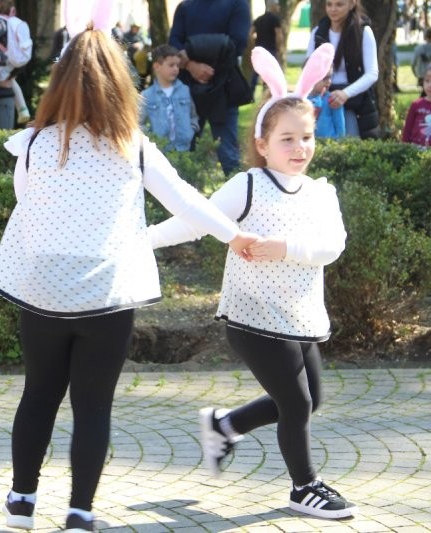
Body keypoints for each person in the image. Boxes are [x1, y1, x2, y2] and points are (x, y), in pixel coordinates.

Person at [0, 13, 258, 532]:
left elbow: (28, 203)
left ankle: (22, 500)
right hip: (107, 294)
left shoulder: (33, 144)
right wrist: (234, 235)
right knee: (93, 406)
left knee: (38, 393)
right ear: (120, 84)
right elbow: (185, 200)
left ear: (60, 82)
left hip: (43, 291)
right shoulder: (131, 145)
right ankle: (80, 510)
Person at [149, 44, 357, 520]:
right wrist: (145, 239)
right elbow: (195, 220)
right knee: (296, 403)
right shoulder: (248, 185)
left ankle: (225, 426)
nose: (300, 148)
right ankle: (304, 487)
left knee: (310, 400)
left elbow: (333, 246)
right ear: (262, 144)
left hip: (301, 315)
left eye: (306, 137)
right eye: (287, 139)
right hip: (253, 315)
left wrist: (285, 248)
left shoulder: (321, 194)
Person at [169, 0, 252, 175]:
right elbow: (174, 45)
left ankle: (238, 192)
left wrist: (190, 52)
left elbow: (237, 44)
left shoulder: (237, 4)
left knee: (228, 155)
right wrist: (191, 66)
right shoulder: (185, 7)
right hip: (188, 88)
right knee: (183, 152)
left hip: (223, 88)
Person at [306, 0, 379, 138]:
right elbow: (308, 69)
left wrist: (345, 94)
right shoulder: (318, 33)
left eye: (339, 4)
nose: (333, 9)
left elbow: (372, 74)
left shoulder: (363, 31)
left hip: (353, 102)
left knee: (349, 142)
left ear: (352, 4)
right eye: (329, 4)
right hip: (322, 102)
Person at [140, 44, 199, 151]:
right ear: (157, 67)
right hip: (159, 152)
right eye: (171, 65)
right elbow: (138, 123)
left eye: (177, 65)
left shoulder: (184, 90)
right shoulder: (147, 95)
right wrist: (151, 137)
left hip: (183, 150)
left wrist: (190, 131)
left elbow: (193, 116)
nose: (176, 69)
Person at [249, 0, 284, 91]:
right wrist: (279, 47)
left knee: (256, 72)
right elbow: (278, 35)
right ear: (272, 6)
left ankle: (250, 93)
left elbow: (251, 34)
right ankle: (267, 91)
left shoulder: (259, 19)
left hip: (259, 50)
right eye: (277, 5)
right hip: (271, 50)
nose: (279, 7)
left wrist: (255, 44)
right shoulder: (275, 19)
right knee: (271, 72)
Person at [308, 68, 345, 138]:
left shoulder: (333, 99)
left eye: (330, 77)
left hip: (329, 142)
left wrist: (340, 141)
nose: (329, 81)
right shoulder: (303, 99)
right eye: (324, 78)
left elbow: (340, 126)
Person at [401, 65, 431, 147]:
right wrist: (404, 147)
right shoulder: (416, 104)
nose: (429, 85)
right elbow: (407, 130)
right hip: (415, 149)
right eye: (427, 81)